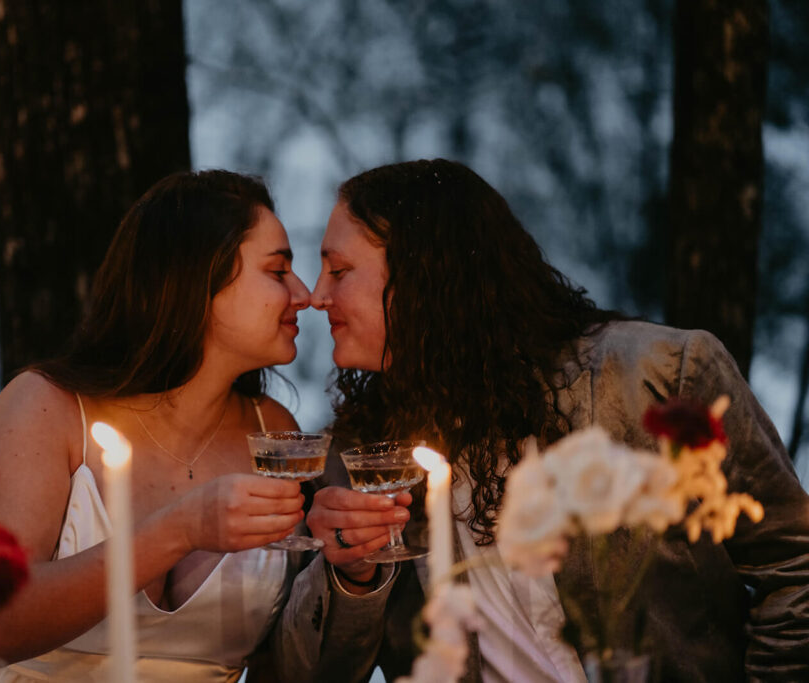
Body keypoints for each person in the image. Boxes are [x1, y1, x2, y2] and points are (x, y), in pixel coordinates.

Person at [277, 158, 809, 682]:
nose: (318, 296)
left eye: (339, 270)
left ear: (425, 275)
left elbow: (795, 571)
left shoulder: (657, 378)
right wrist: (351, 575)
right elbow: (306, 674)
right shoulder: (359, 457)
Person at [0, 170, 325, 682]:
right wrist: (180, 530)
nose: (304, 294)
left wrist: (346, 569)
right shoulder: (46, 410)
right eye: (278, 270)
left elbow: (276, 661)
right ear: (199, 278)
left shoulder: (274, 430)